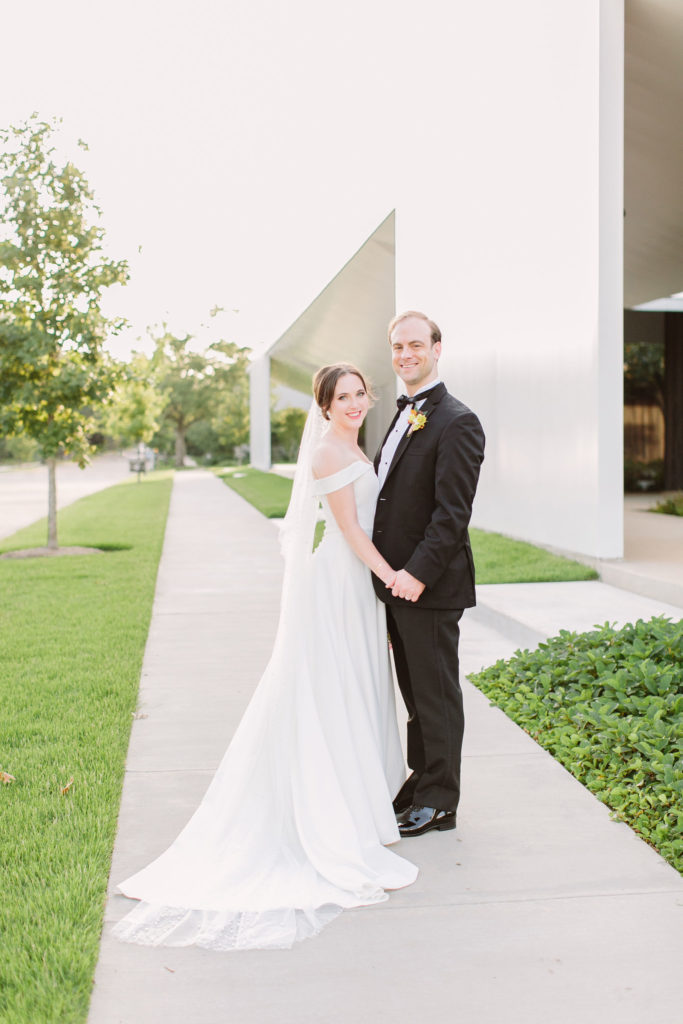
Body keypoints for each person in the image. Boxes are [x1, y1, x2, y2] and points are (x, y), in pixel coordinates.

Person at [113, 363, 417, 952]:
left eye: (359, 394)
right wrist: (392, 580)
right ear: (323, 406)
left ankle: (360, 809)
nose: (353, 403)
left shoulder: (351, 442)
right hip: (341, 581)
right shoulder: (330, 451)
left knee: (354, 688)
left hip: (358, 588)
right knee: (331, 691)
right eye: (341, 397)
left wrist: (377, 592)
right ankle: (335, 815)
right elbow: (352, 531)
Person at [372, 312, 485, 838]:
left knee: (436, 694)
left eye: (416, 344)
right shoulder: (403, 416)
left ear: (438, 348)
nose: (405, 355)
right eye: (398, 346)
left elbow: (451, 514)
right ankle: (423, 780)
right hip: (394, 585)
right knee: (415, 695)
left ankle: (441, 800)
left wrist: (415, 574)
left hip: (429, 586)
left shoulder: (457, 420)